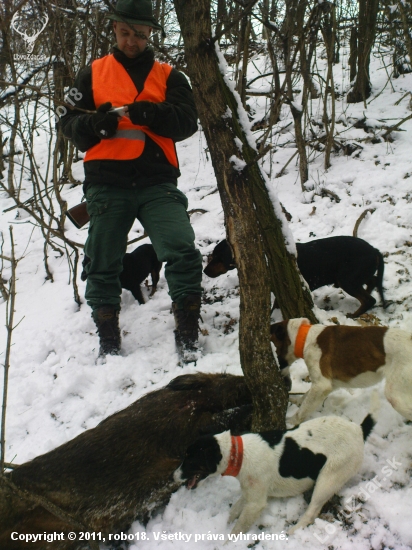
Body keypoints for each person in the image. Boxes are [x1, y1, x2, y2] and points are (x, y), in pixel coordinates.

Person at [60, 0, 203, 363]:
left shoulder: (171, 76)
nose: (131, 41)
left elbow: (188, 122)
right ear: (114, 29)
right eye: (125, 33)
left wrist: (155, 114)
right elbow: (64, 120)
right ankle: (108, 338)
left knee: (182, 249)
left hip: (157, 182)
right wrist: (93, 127)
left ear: (150, 33)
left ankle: (187, 331)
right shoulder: (89, 74)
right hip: (107, 183)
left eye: (139, 35)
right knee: (101, 260)